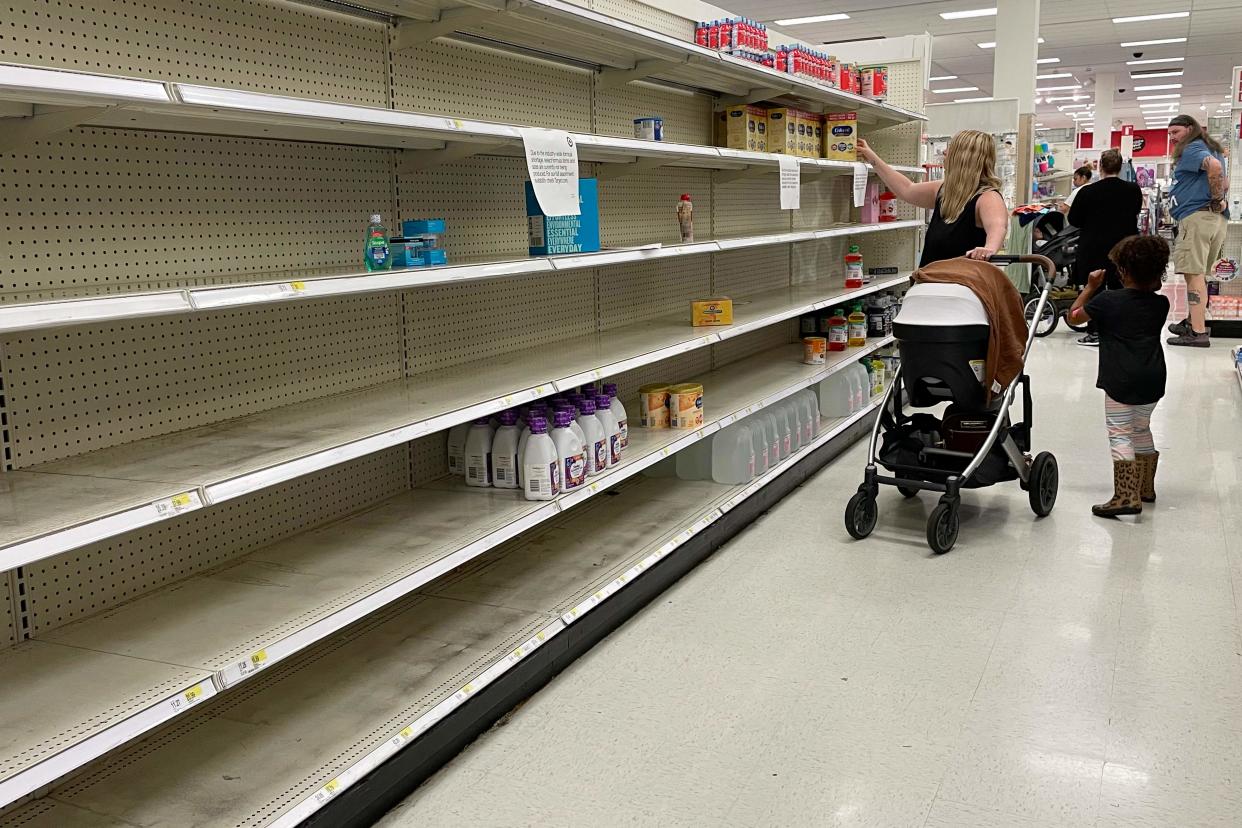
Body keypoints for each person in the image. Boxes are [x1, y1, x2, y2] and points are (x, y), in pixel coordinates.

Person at [1068, 236, 1170, 518]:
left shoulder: (1107, 301)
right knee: (1141, 429)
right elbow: (1151, 288)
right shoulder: (1160, 304)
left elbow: (1074, 316)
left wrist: (1090, 287)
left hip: (1120, 378)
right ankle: (1145, 487)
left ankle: (1126, 496)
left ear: (1123, 271)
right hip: (1153, 378)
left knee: (1120, 433)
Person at [858, 130, 1008, 266]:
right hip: (930, 287)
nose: (945, 151)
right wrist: (871, 157)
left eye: (951, 148)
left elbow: (998, 227)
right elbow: (906, 189)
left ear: (964, 157)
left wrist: (988, 249)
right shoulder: (945, 190)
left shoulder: (988, 198)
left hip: (961, 289)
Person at [1068, 149, 1143, 346]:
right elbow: (1135, 211)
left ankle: (1095, 331)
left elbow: (1073, 219)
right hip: (1123, 247)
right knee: (1122, 286)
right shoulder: (1133, 189)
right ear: (1120, 167)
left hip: (1093, 246)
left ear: (1100, 166)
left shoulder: (1087, 192)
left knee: (1094, 288)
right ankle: (1119, 328)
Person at [1165, 114, 1228, 348]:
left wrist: (1215, 198)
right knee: (1200, 274)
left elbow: (1213, 168)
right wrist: (1219, 200)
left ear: (1190, 129)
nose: (1172, 137)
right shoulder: (1213, 148)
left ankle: (1197, 332)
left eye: (1176, 132)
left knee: (1193, 274)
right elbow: (1224, 179)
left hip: (1197, 217)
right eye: (1170, 133)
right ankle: (1194, 320)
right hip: (1214, 219)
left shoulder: (1192, 148)